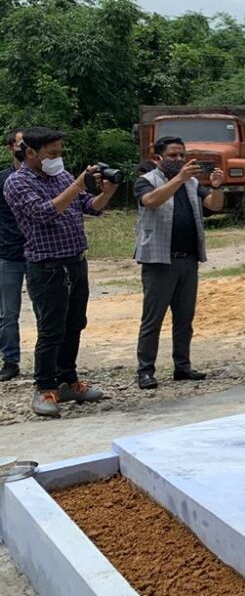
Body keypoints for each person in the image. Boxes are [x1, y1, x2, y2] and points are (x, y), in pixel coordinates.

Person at [3, 127, 117, 417]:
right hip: (47, 267)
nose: (58, 159)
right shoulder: (18, 183)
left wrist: (107, 193)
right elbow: (42, 213)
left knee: (75, 323)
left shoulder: (63, 177)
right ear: (31, 153)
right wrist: (78, 185)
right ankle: (44, 388)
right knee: (51, 330)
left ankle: (68, 380)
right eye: (52, 154)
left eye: (60, 152)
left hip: (76, 262)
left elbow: (89, 208)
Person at [133, 136, 226, 389]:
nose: (179, 160)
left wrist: (217, 187)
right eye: (173, 155)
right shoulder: (145, 181)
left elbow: (214, 206)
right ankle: (145, 370)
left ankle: (182, 367)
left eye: (182, 155)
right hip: (159, 260)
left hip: (188, 260)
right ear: (158, 158)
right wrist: (179, 179)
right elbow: (151, 201)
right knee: (153, 319)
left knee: (184, 318)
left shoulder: (192, 183)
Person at [0, 130, 27, 381]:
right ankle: (10, 360)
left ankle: (49, 360)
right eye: (21, 143)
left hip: (40, 253)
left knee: (47, 312)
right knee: (8, 313)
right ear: (11, 148)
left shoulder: (43, 178)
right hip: (9, 254)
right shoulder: (3, 179)